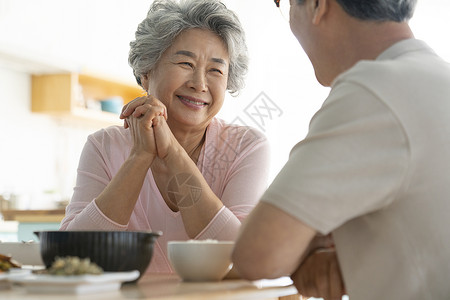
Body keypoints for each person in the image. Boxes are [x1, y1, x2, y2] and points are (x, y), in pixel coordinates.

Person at [232, 0, 450, 299]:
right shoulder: (437, 77)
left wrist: (306, 249)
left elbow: (257, 255)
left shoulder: (373, 89)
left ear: (317, 5)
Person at [60, 0, 270, 274]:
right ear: (146, 73)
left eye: (216, 70)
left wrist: (172, 153)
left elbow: (242, 254)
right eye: (186, 63)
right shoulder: (104, 146)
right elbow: (71, 251)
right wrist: (140, 156)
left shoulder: (246, 147)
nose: (199, 83)